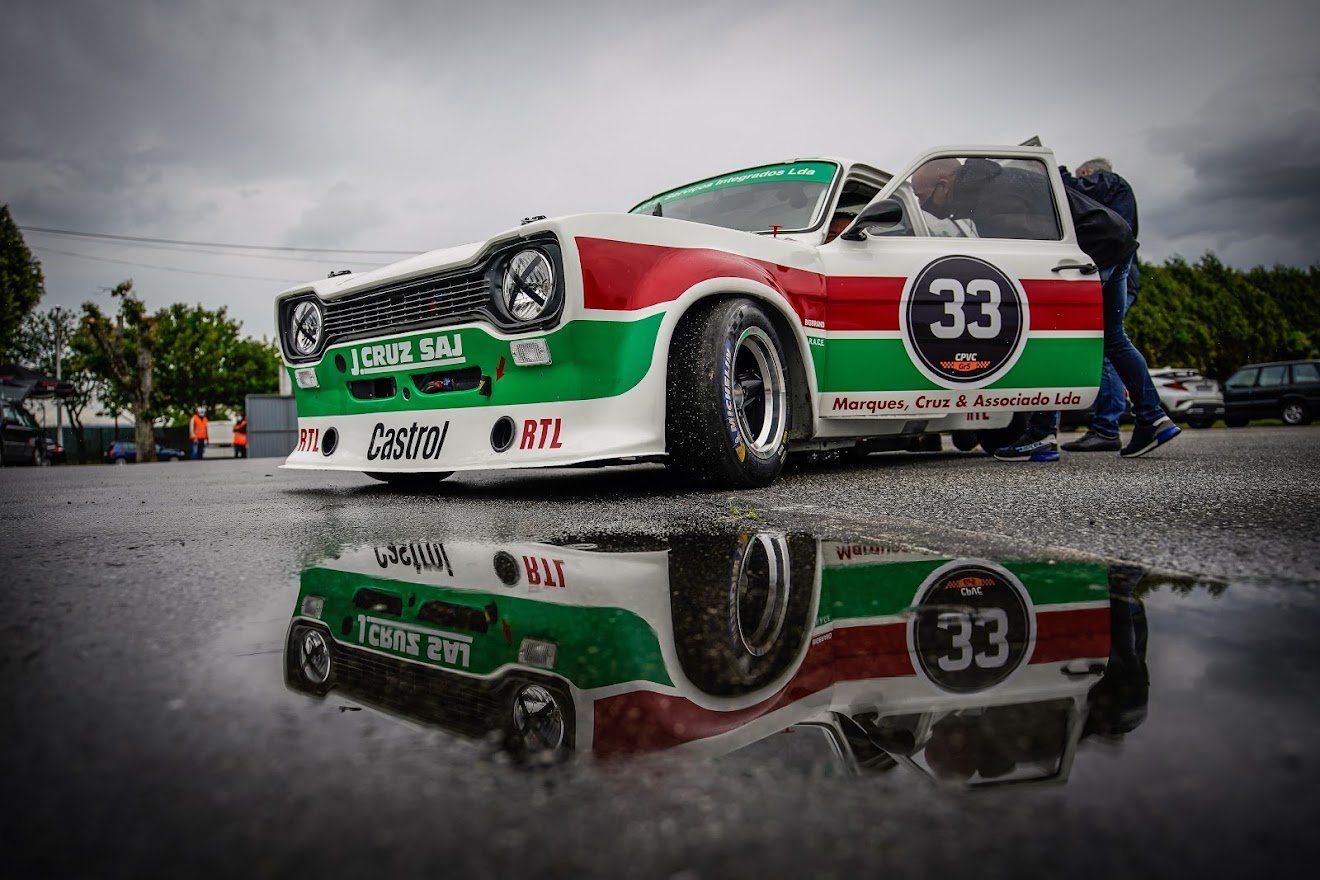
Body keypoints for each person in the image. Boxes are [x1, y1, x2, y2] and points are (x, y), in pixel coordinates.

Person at [994, 178, 1179, 461]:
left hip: (1093, 250)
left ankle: (1042, 434)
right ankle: (1153, 418)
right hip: (1117, 242)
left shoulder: (996, 191)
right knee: (1114, 338)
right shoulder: (1018, 179)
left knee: (1051, 336)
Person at [1060, 158, 1144, 452]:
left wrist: (1057, 174)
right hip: (1122, 272)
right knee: (1112, 344)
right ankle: (1138, 418)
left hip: (1113, 271)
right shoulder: (1116, 191)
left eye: (1083, 176)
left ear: (1088, 173)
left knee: (1109, 347)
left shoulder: (1109, 181)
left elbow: (1072, 189)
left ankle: (1107, 427)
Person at [910, 157, 1058, 240]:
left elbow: (1034, 249)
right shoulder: (985, 186)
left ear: (943, 186)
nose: (921, 205)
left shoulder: (993, 201)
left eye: (921, 197)